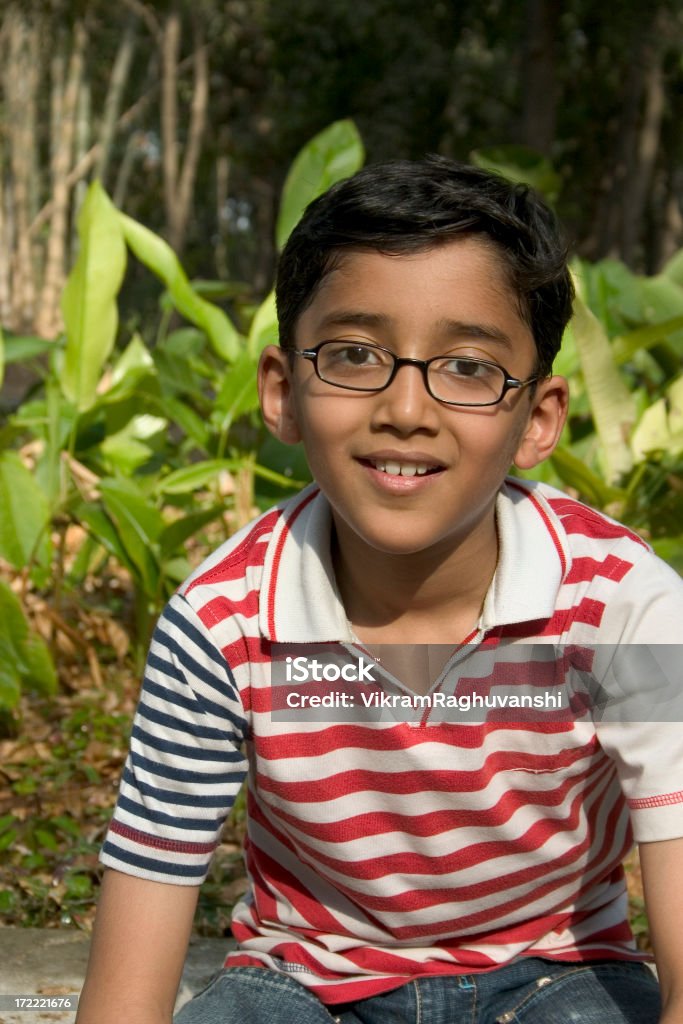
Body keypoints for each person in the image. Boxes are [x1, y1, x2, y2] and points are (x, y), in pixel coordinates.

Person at [76, 157, 683, 1024]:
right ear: (282, 394)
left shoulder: (627, 609)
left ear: (538, 418)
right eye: (355, 354)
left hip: (555, 974)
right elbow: (127, 992)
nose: (405, 407)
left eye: (468, 366)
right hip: (302, 983)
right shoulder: (220, 622)